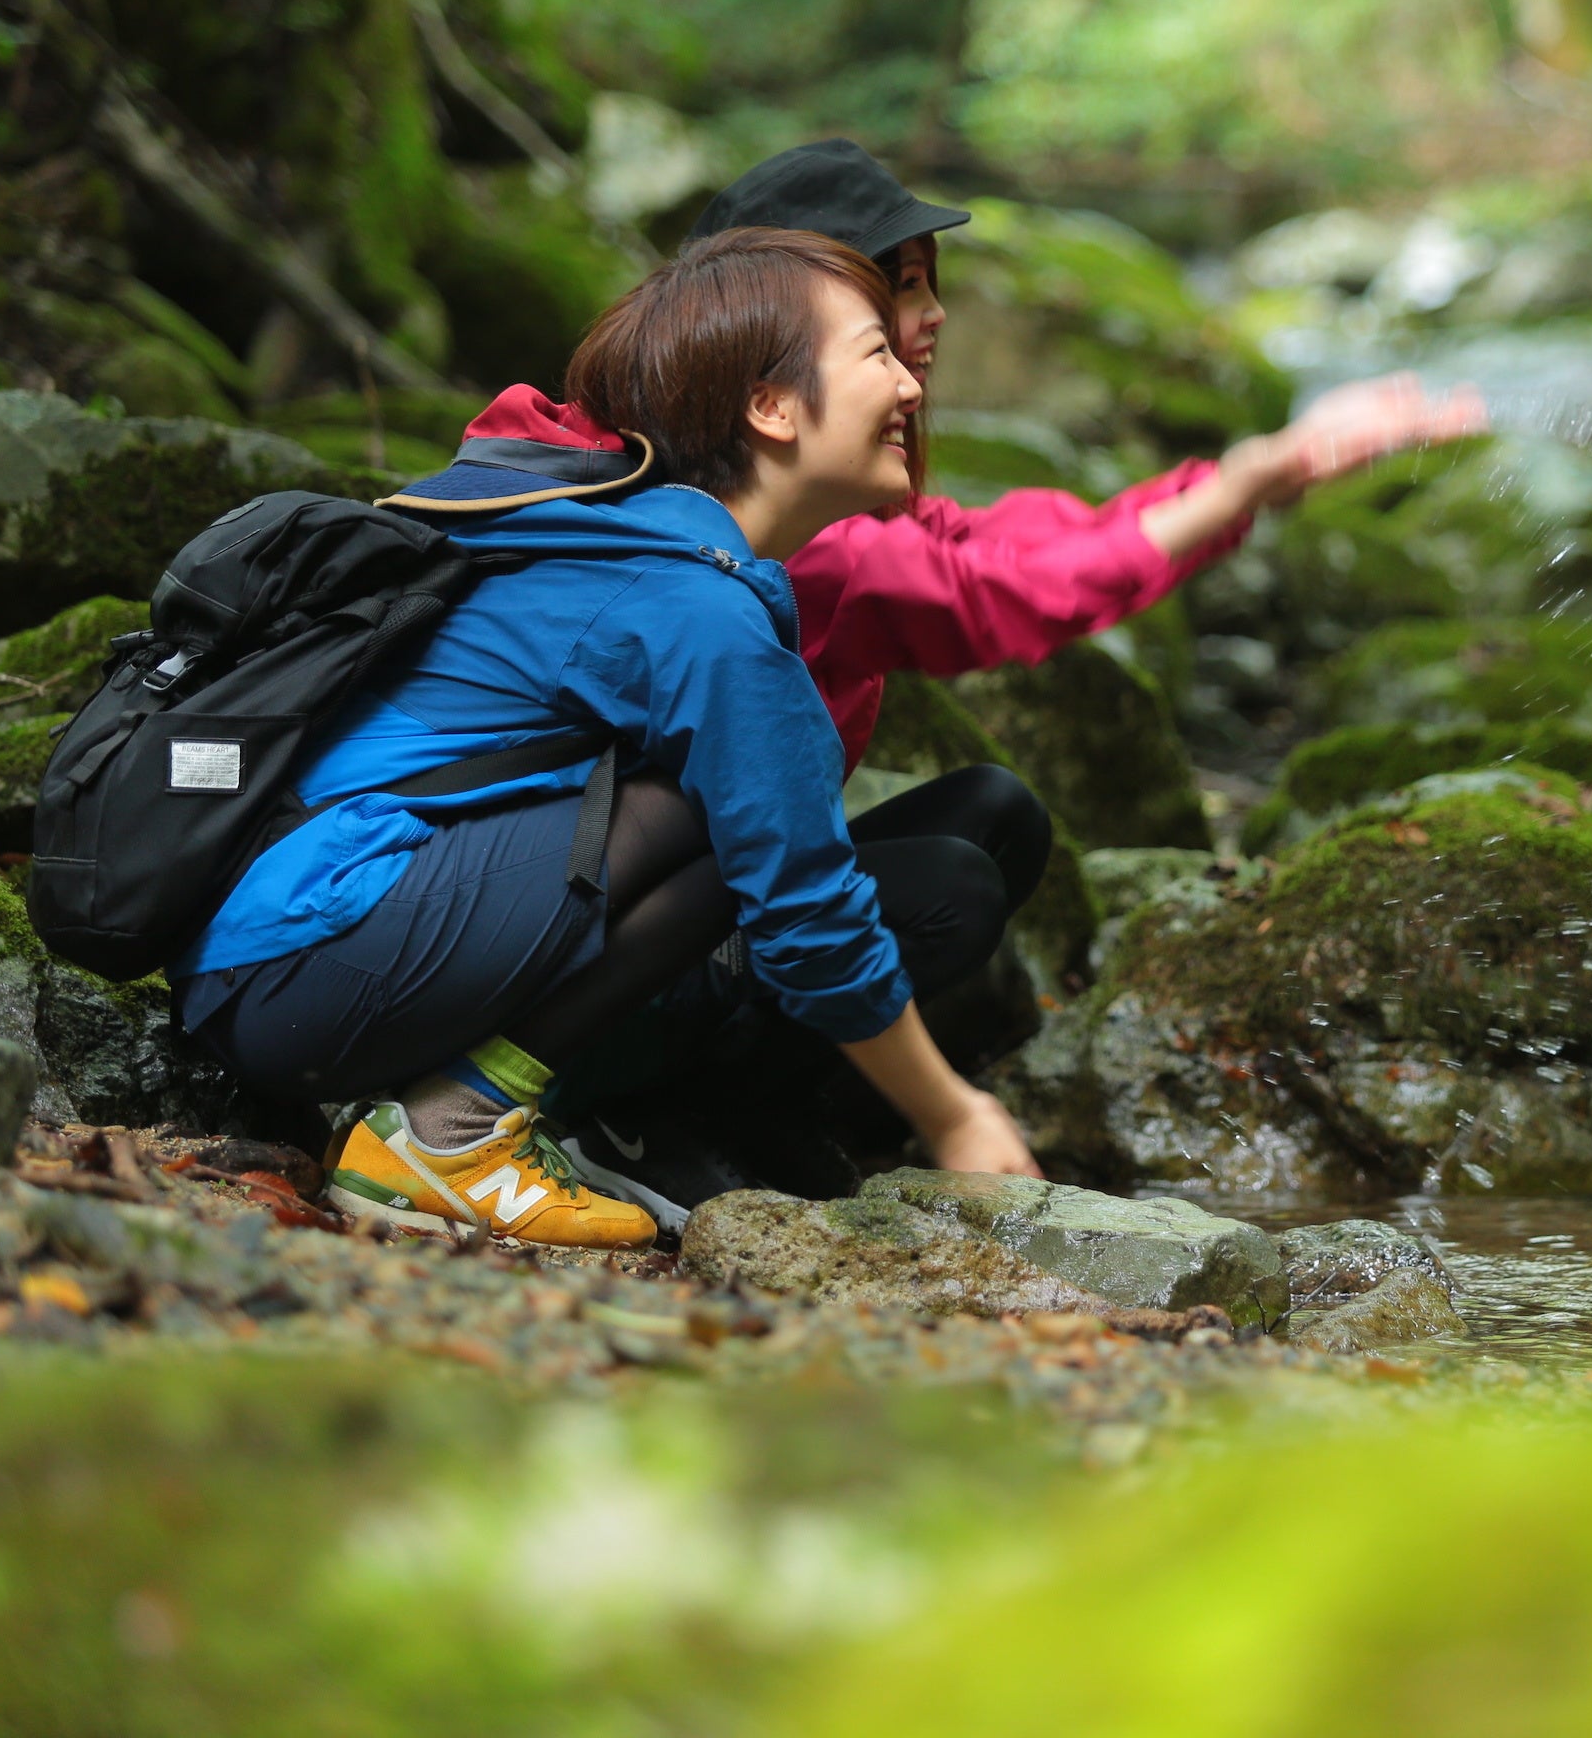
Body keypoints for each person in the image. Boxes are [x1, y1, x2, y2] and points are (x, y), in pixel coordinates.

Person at [418, 140, 1481, 1206]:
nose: (929, 319)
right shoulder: (771, 532)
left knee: (992, 812)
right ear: (766, 360)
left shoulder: (697, 466)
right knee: (946, 887)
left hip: (621, 898)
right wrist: (1254, 475)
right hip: (574, 938)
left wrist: (1244, 479)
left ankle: (743, 1103)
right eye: (898, 288)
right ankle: (637, 1115)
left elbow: (996, 543)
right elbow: (1001, 590)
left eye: (929, 283)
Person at [169, 226, 1041, 1249]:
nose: (910, 383)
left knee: (773, 805)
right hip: (305, 971)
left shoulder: (614, 535)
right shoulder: (690, 607)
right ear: (770, 406)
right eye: (875, 353)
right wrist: (953, 1113)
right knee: (740, 814)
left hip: (273, 957)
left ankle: (572, 1111)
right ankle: (451, 1132)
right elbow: (806, 905)